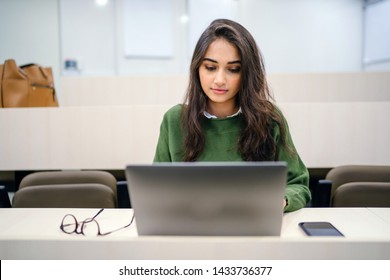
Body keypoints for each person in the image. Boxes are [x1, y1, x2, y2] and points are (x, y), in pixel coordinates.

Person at [153, 19, 311, 212]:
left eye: (233, 69)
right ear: (197, 69)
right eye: (210, 68)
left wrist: (282, 200)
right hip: (191, 230)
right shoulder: (174, 120)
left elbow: (298, 184)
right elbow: (155, 189)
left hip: (253, 229)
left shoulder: (269, 119)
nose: (220, 80)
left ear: (247, 74)